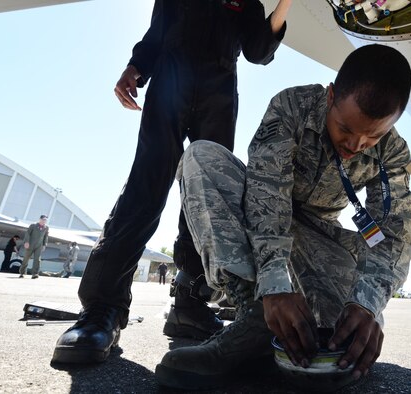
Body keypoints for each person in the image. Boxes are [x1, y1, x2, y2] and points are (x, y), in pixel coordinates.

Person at [154, 45, 411, 390]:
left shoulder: (393, 152)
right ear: (331, 95)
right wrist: (274, 287)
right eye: (345, 128)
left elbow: (393, 233)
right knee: (201, 156)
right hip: (260, 224)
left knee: (344, 333)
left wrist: (366, 304)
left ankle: (283, 329)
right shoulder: (292, 107)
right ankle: (253, 316)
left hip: (320, 237)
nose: (357, 144)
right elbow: (267, 197)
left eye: (375, 136)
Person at [52, 0, 292, 364]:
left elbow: (258, 52)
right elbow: (156, 35)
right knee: (144, 188)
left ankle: (190, 305)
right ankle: (102, 309)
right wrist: (135, 68)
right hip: (169, 86)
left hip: (219, 93)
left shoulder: (247, 3)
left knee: (207, 197)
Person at [19, 215, 49, 279]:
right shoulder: (33, 226)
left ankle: (35, 274)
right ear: (40, 219)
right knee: (26, 258)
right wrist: (26, 242)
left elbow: (46, 236)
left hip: (39, 245)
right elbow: (27, 234)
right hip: (30, 244)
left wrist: (44, 245)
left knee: (37, 259)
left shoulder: (46, 228)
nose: (44, 221)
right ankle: (22, 273)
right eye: (43, 219)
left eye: (45, 220)